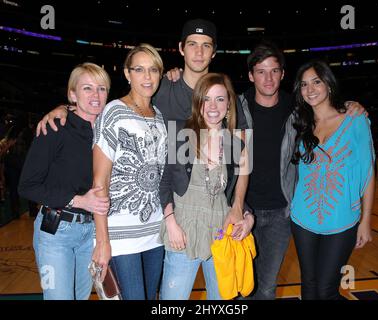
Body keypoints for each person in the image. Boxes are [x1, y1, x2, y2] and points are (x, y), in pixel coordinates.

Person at [36, 18, 250, 235]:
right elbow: (121, 108)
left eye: (206, 46)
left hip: (215, 215)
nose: (199, 52)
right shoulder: (161, 87)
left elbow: (243, 159)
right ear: (181, 48)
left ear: (214, 52)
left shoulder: (226, 97)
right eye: (192, 44)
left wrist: (239, 207)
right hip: (166, 214)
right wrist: (68, 107)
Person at [237, 42, 367, 300]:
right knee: (241, 286)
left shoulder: (297, 110)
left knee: (266, 288)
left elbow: (327, 109)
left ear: (283, 74)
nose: (268, 78)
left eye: (274, 71)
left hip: (281, 213)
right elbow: (201, 107)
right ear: (251, 75)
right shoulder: (234, 106)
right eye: (261, 71)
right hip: (242, 209)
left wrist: (352, 105)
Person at [18, 62, 111, 300]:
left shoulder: (109, 130)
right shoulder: (55, 127)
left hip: (90, 233)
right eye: (87, 88)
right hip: (55, 231)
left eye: (101, 88)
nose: (95, 95)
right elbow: (27, 186)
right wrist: (78, 200)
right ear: (73, 94)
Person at [159, 72, 253, 300]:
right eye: (207, 99)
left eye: (220, 99)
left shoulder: (237, 144)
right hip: (183, 231)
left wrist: (248, 216)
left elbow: (233, 196)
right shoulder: (180, 133)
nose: (213, 106)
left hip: (220, 234)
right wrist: (170, 221)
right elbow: (164, 183)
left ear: (229, 104)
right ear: (198, 102)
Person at [290, 60, 375, 300]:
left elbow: (368, 173)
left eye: (316, 81)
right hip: (302, 218)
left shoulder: (355, 120)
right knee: (309, 284)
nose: (310, 89)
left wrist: (365, 220)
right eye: (304, 84)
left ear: (328, 83)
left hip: (343, 219)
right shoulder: (300, 123)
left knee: (327, 289)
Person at [91, 44, 168, 300]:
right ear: (127, 73)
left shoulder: (159, 116)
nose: (147, 77)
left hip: (156, 231)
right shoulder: (113, 111)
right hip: (121, 235)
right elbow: (99, 182)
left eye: (153, 70)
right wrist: (102, 241)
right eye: (139, 69)